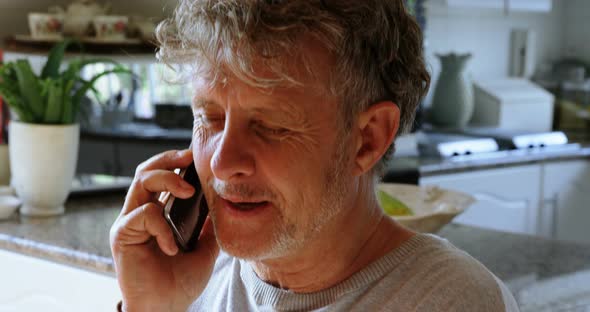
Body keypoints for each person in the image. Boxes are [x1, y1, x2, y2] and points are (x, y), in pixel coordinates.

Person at [110, 0, 520, 311]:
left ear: (367, 140)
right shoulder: (191, 281)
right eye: (209, 118)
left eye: (271, 126)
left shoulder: (449, 301)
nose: (221, 162)